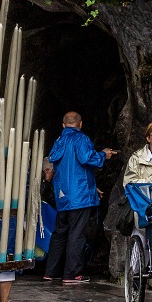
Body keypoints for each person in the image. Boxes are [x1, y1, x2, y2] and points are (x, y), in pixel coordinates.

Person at [45, 112, 115, 285]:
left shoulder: (59, 141)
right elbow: (86, 158)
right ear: (80, 124)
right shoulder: (81, 139)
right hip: (80, 196)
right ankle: (71, 274)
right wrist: (102, 155)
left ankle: (51, 271)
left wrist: (93, 188)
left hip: (62, 194)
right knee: (77, 233)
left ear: (63, 125)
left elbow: (58, 162)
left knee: (59, 233)